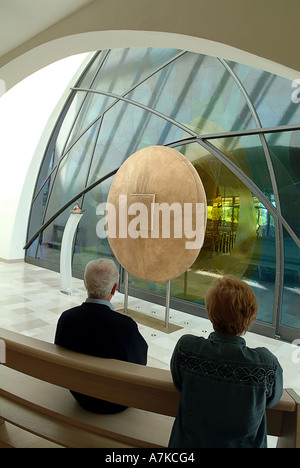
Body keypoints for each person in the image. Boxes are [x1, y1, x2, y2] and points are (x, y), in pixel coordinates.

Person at [168, 275, 283, 448]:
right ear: (251, 316)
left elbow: (179, 383)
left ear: (210, 311)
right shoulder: (265, 365)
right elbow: (272, 400)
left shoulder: (187, 349)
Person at [55, 258, 148, 414]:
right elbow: (139, 364)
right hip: (115, 402)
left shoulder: (67, 318)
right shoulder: (126, 326)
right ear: (114, 289)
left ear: (85, 283)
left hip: (79, 394)